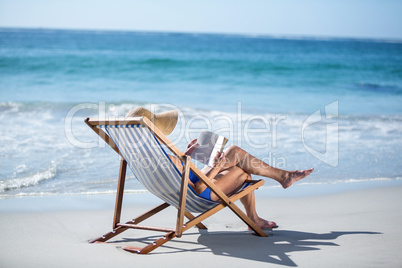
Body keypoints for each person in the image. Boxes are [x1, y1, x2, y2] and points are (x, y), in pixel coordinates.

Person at [126, 107, 314, 229]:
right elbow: (198, 187)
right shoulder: (162, 157)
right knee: (239, 163)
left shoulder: (144, 155)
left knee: (238, 163)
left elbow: (180, 176)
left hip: (187, 191)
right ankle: (282, 179)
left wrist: (187, 156)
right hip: (201, 194)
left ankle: (262, 208)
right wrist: (216, 168)